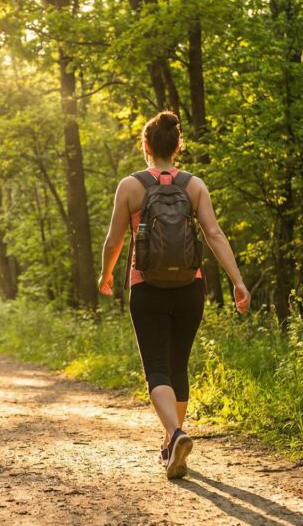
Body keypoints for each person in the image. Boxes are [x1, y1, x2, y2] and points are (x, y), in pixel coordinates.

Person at [97, 111, 251, 479]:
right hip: (190, 287)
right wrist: (238, 281)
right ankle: (170, 445)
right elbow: (214, 235)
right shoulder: (193, 185)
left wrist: (105, 274)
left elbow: (115, 239)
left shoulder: (131, 186)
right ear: (177, 147)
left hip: (146, 286)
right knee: (178, 364)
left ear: (146, 147)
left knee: (157, 369)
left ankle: (176, 434)